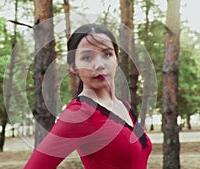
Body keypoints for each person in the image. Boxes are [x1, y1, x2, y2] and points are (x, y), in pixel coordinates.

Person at [24, 23, 152, 169]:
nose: (99, 65)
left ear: (117, 59)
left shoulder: (124, 106)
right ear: (73, 67)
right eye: (87, 57)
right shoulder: (79, 113)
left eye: (107, 54)